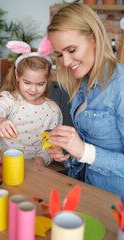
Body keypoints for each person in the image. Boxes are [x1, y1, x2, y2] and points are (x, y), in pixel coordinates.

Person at [46, 3, 124, 196]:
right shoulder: (83, 83)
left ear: (94, 38)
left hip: (112, 202)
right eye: (59, 54)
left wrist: (84, 151)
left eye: (71, 50)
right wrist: (69, 153)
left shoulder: (120, 86)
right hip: (83, 189)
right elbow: (87, 150)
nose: (65, 62)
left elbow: (89, 152)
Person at [0, 40, 63, 167]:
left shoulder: (53, 110)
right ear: (17, 75)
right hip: (5, 162)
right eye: (27, 83)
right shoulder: (10, 100)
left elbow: (52, 143)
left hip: (35, 167)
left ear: (48, 80)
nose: (33, 89)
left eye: (40, 84)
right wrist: (0, 122)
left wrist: (42, 159)